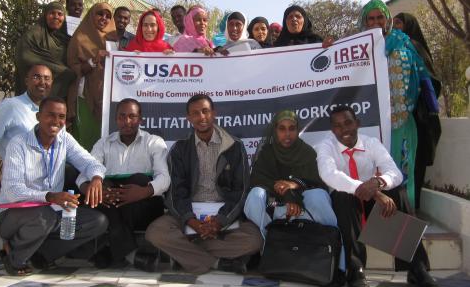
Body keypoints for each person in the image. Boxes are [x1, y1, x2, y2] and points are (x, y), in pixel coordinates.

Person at [315, 105, 439, 287]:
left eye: (348, 122)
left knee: (398, 192)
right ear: (332, 130)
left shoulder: (371, 143)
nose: (344, 129)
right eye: (338, 126)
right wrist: (370, 190)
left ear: (357, 123)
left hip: (371, 203)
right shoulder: (326, 146)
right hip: (346, 205)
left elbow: (394, 172)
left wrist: (378, 182)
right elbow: (330, 174)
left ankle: (417, 268)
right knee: (342, 196)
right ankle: (356, 270)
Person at [146, 94, 262, 275]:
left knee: (255, 240)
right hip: (190, 211)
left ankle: (187, 251)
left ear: (213, 113)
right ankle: (218, 262)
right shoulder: (180, 149)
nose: (201, 117)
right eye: (195, 113)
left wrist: (219, 222)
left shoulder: (234, 146)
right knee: (155, 232)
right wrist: (192, 221)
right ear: (189, 118)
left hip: (224, 213)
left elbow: (241, 191)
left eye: (205, 111)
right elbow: (176, 192)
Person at [0, 97, 108, 276]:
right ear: (39, 116)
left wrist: (96, 178)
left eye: (61, 116)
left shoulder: (65, 140)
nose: (56, 121)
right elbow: (12, 191)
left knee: (97, 221)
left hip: (51, 211)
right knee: (45, 216)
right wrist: (50, 196)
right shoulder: (19, 144)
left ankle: (41, 254)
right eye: (51, 115)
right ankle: (14, 256)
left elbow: (91, 163)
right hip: (13, 215)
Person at [244, 110, 345, 274]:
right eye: (282, 129)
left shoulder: (307, 153)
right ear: (275, 130)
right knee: (255, 195)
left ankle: (335, 257)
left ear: (298, 130)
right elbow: (257, 179)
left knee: (319, 196)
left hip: (303, 212)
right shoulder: (267, 153)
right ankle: (268, 250)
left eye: (292, 128)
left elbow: (317, 182)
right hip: (276, 211)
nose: (287, 134)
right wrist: (287, 194)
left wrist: (295, 185)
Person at [358, 0, 438, 208]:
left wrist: (433, 109)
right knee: (373, 171)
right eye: (371, 18)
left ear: (387, 19)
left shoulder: (403, 42)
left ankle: (404, 223)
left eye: (380, 17)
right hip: (371, 125)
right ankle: (375, 221)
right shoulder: (359, 46)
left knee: (402, 171)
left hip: (402, 121)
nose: (376, 22)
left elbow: (422, 75)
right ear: (365, 22)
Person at [77, 98, 169, 267]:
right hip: (110, 201)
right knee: (104, 187)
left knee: (139, 179)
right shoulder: (103, 143)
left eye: (132, 116)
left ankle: (110, 250)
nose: (127, 121)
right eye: (122, 116)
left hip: (144, 205)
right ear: (116, 119)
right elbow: (82, 177)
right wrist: (97, 190)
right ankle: (131, 255)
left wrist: (143, 191)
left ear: (141, 119)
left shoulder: (154, 142)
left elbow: (165, 179)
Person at [0, 64, 53, 206]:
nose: (42, 82)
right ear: (26, 80)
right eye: (37, 77)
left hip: (50, 191)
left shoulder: (53, 113)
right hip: (20, 192)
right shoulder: (11, 107)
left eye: (47, 78)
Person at [393, 13, 442, 209]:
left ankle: (412, 212)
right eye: (393, 23)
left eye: (399, 23)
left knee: (413, 167)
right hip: (397, 120)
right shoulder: (391, 46)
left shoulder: (413, 47)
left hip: (417, 119)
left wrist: (412, 95)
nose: (395, 27)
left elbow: (431, 83)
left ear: (409, 26)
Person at [67, 2, 118, 150]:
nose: (104, 18)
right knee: (86, 141)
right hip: (86, 97)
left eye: (108, 16)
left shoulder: (113, 38)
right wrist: (93, 60)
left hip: (108, 100)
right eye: (100, 14)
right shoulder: (80, 37)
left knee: (106, 142)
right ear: (91, 15)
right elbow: (73, 68)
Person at [15, 2, 76, 98]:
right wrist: (62, 71)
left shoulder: (67, 39)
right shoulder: (33, 34)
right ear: (45, 16)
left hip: (60, 94)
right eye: (52, 13)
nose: (56, 17)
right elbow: (24, 57)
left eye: (60, 14)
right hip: (36, 90)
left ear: (64, 18)